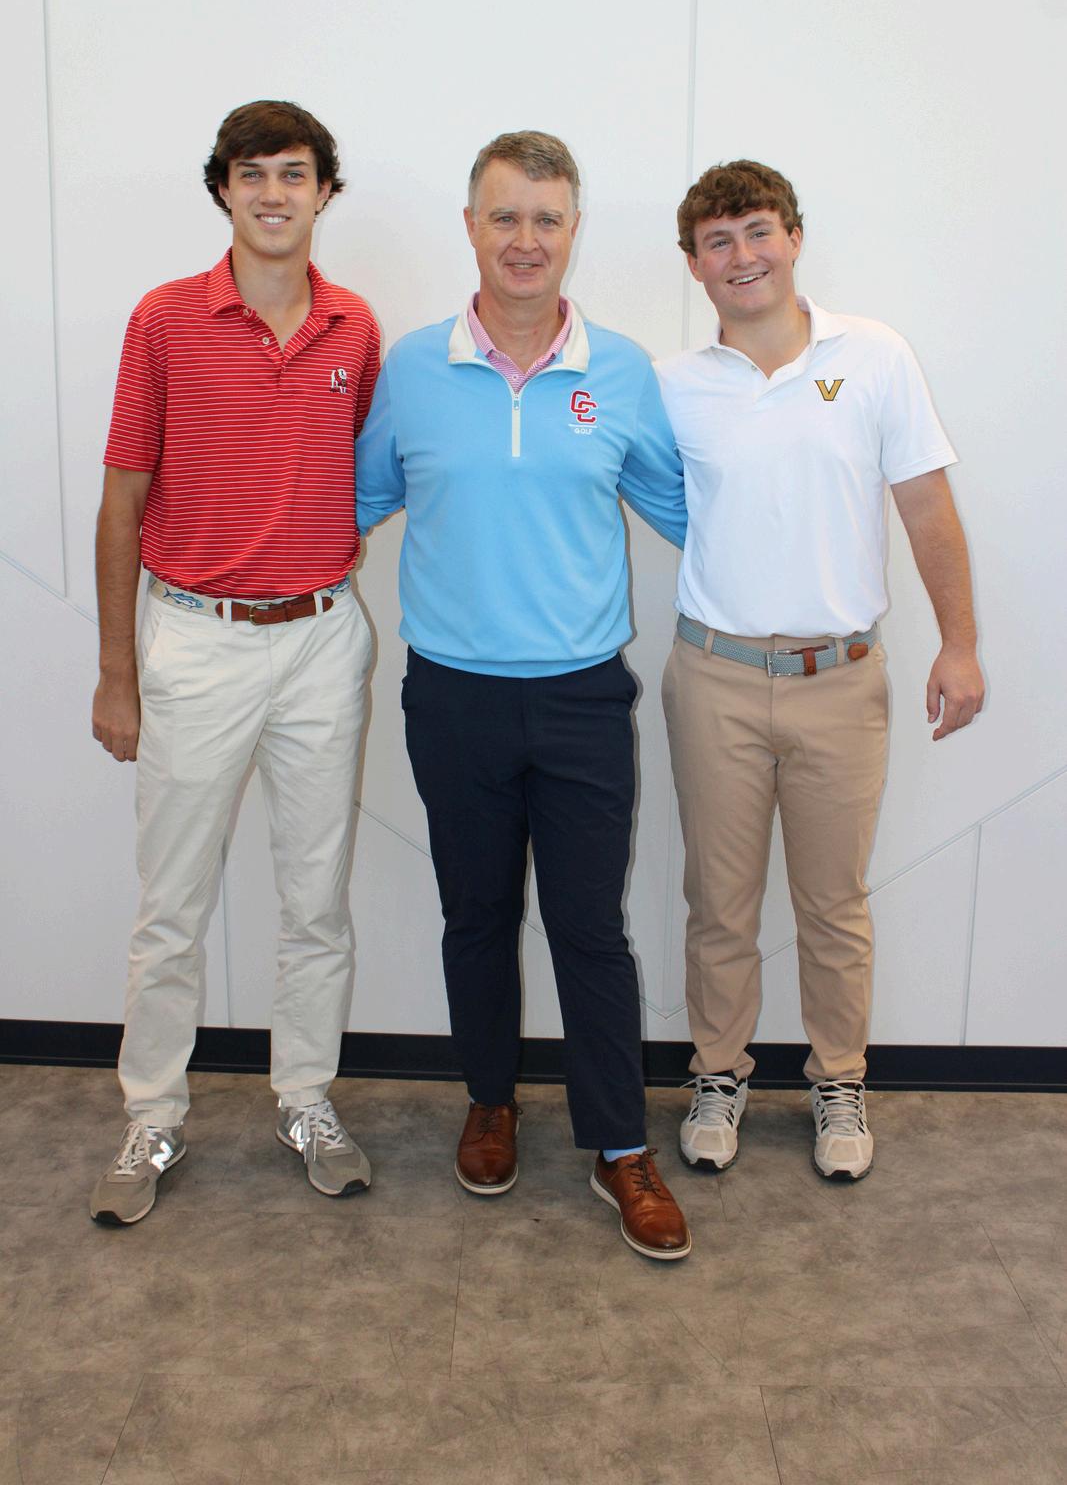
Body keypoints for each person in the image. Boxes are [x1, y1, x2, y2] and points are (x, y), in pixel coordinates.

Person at [357, 131, 692, 1259]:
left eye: (546, 219)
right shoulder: (412, 368)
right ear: (470, 227)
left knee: (590, 930)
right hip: (452, 697)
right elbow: (351, 501)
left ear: (573, 231)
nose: (525, 240)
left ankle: (617, 1146)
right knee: (476, 917)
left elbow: (688, 514)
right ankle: (489, 1101)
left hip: (581, 697)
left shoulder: (622, 371)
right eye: (504, 216)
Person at [656, 160, 984, 1182]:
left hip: (840, 680)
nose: (741, 255)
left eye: (757, 231)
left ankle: (837, 1080)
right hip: (713, 678)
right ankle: (717, 1074)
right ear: (694, 265)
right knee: (718, 904)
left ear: (793, 238)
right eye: (717, 241)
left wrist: (959, 644)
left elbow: (924, 507)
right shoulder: (672, 386)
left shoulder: (873, 356)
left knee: (832, 904)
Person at [88, 100, 380, 1224]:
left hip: (320, 642)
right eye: (252, 173)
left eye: (293, 173)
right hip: (194, 642)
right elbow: (121, 504)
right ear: (222, 189)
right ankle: (152, 1114)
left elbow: (362, 476)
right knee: (173, 904)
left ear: (323, 192)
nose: (272, 194)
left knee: (316, 900)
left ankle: (305, 1098)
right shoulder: (163, 320)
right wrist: (118, 672)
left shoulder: (353, 327)